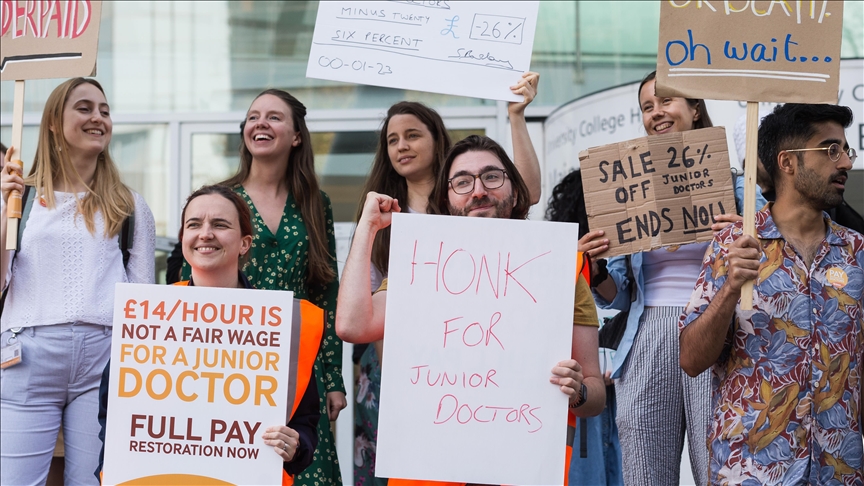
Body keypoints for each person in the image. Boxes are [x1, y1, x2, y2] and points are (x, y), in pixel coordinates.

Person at [338, 135, 604, 485]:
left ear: (515, 191)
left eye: (492, 176)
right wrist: (367, 227)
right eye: (462, 182)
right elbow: (352, 326)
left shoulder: (560, 266)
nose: (478, 190)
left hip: (524, 465)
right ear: (446, 199)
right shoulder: (421, 263)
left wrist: (579, 391)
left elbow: (595, 394)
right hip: (431, 469)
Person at [352, 72, 542, 485]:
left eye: (412, 135)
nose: (402, 146)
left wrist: (516, 116)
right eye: (392, 140)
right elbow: (366, 306)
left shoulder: (466, 201)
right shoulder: (382, 213)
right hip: (404, 369)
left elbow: (526, 192)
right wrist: (396, 373)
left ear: (437, 139)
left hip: (473, 364)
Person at [166, 89, 346, 484]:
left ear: (296, 136)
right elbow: (185, 275)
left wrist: (332, 377)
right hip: (229, 359)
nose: (260, 123)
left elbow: (325, 289)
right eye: (253, 116)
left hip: (298, 361)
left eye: (273, 117)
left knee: (303, 461)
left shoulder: (316, 202)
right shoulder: (220, 202)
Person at [680, 103, 862, 484]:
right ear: (788, 162)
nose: (845, 162)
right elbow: (691, 359)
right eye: (831, 149)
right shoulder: (733, 245)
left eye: (846, 150)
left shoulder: (857, 252)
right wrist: (730, 288)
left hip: (837, 471)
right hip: (752, 471)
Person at [580, 70, 743, 486]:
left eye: (666, 101)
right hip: (647, 330)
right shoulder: (629, 189)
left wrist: (745, 229)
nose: (656, 112)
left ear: (695, 108)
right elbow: (618, 297)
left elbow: (771, 252)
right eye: (647, 107)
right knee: (643, 468)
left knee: (720, 464)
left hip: (717, 330)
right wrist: (596, 272)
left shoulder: (736, 185)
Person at [96, 185, 320, 481]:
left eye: (220, 224)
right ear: (183, 240)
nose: (205, 234)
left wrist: (296, 446)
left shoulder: (277, 324)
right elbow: (112, 412)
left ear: (244, 243)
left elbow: (305, 421)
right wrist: (108, 467)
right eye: (194, 224)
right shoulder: (151, 316)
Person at [0, 77, 156, 486]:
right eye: (84, 108)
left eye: (104, 111)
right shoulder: (17, 196)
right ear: (54, 122)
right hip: (27, 356)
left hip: (105, 360)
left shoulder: (130, 205)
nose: (98, 118)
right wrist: (4, 209)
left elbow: (143, 301)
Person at [546, 169, 624, 486]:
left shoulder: (628, 252)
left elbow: (627, 302)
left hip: (616, 380)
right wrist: (576, 262)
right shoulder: (558, 258)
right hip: (578, 387)